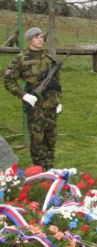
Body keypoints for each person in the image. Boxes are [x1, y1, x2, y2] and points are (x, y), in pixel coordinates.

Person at [4, 27, 62, 170]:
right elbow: (8, 80)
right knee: (37, 140)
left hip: (51, 105)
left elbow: (56, 83)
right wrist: (24, 95)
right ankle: (39, 172)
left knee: (51, 139)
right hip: (35, 107)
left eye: (41, 37)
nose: (41, 39)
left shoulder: (49, 59)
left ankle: (50, 170)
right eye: (37, 37)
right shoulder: (21, 59)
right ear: (29, 40)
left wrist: (59, 101)